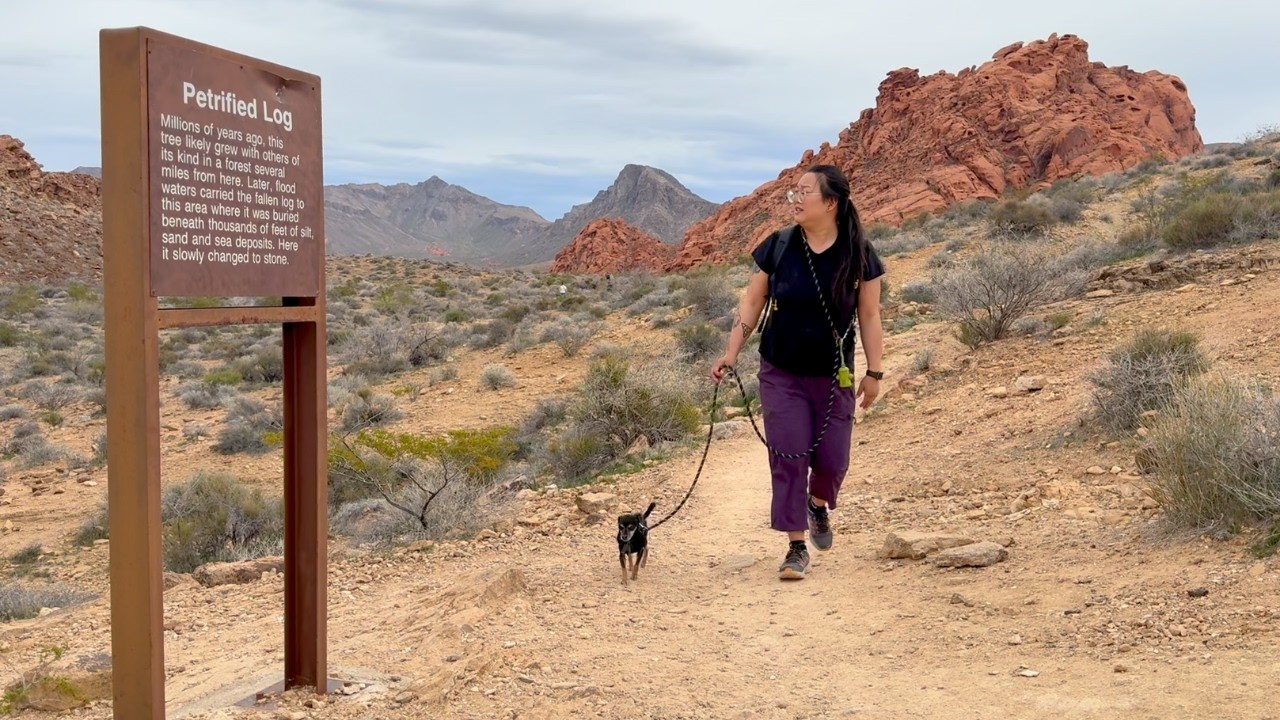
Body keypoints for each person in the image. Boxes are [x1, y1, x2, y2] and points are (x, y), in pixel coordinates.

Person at [710, 164, 885, 581]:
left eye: (804, 193)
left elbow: (871, 315)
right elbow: (752, 301)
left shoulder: (859, 253)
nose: (795, 200)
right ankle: (795, 546)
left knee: (832, 460)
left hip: (833, 375)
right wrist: (730, 353)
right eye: (794, 192)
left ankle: (818, 504)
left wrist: (874, 372)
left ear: (830, 203)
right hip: (781, 371)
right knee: (788, 456)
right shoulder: (780, 245)